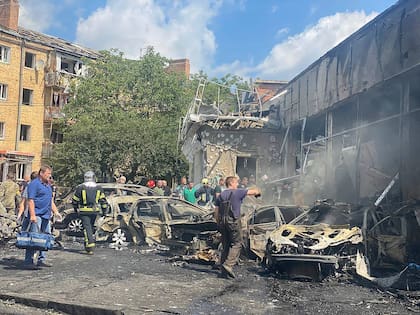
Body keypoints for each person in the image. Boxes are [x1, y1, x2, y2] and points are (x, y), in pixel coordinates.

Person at [214, 176, 261, 279]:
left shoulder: (221, 195)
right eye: (236, 183)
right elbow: (253, 192)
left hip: (223, 223)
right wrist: (258, 191)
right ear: (231, 183)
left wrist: (219, 223)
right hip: (234, 222)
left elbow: (216, 212)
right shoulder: (237, 192)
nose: (237, 184)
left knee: (226, 245)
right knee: (237, 243)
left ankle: (223, 271)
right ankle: (228, 264)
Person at [23, 165, 62, 269]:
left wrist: (56, 212)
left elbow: (50, 200)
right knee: (34, 238)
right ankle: (28, 261)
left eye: (50, 174)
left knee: (44, 238)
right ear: (41, 173)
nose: (50, 176)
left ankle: (41, 259)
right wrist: (32, 215)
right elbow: (30, 200)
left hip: (46, 216)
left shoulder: (47, 185)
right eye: (48, 173)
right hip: (37, 215)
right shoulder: (34, 184)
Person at [72, 171, 108, 254]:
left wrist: (75, 209)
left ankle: (90, 246)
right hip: (95, 211)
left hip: (84, 211)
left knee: (87, 228)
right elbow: (103, 201)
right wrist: (104, 212)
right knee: (90, 228)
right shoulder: (98, 187)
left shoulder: (80, 187)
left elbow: (75, 200)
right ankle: (87, 244)